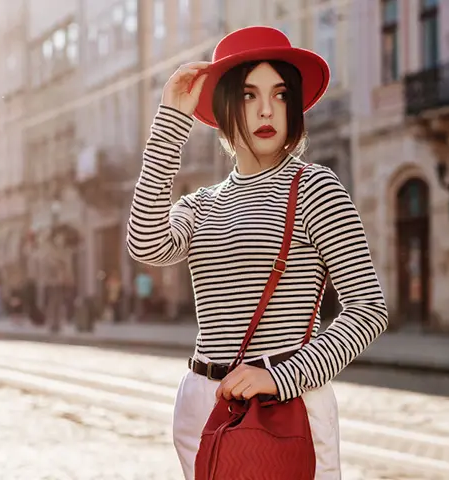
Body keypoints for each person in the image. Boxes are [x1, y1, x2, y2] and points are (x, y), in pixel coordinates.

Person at [126, 26, 388, 479]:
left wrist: (279, 377)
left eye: (281, 94)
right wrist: (171, 122)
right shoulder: (202, 204)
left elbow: (368, 310)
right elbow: (145, 241)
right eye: (248, 95)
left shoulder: (315, 188)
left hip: (284, 408)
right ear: (226, 107)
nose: (266, 109)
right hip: (203, 406)